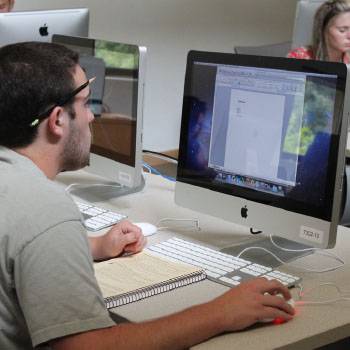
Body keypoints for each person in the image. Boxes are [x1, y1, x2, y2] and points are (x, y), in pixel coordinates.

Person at [0, 41, 295, 350]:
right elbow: (85, 347)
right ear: (58, 120)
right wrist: (220, 312)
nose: (92, 117)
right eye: (87, 103)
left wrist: (94, 245)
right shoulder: (46, 210)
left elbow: (18, 239)